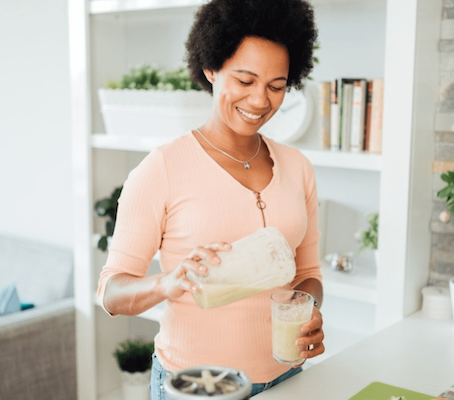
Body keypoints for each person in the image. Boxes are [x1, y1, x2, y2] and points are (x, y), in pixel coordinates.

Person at [97, 0, 324, 397]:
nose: (260, 101)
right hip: (196, 387)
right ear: (211, 68)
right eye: (245, 80)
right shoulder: (162, 168)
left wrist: (309, 312)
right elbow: (111, 293)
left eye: (276, 86)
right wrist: (167, 283)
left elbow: (309, 275)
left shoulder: (298, 167)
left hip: (286, 380)